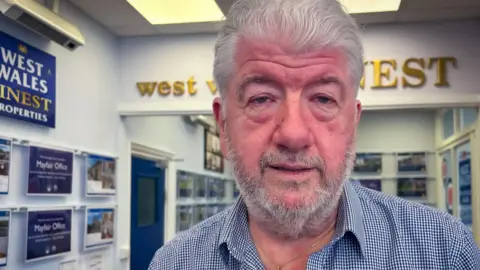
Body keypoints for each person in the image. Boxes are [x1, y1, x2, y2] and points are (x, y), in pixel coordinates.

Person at [148, 0, 480, 269]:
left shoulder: (443, 251)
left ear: (353, 121)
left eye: (323, 99)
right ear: (223, 124)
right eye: (262, 98)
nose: (293, 134)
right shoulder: (175, 262)